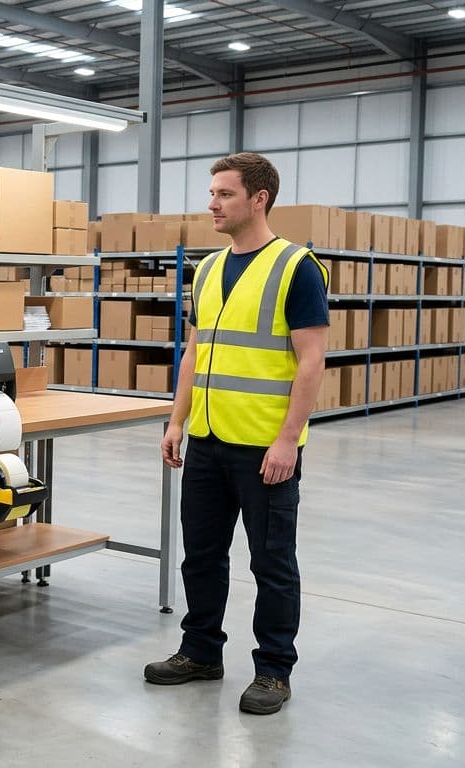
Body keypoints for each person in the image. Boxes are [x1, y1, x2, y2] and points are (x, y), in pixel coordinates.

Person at [143, 152, 329, 715]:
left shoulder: (296, 267)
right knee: (200, 555)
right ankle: (201, 651)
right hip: (206, 439)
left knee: (271, 564)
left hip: (264, 447)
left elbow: (312, 359)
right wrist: (177, 420)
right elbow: (195, 352)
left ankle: (273, 670)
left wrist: (287, 439)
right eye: (212, 193)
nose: (212, 203)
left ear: (258, 199)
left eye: (224, 193)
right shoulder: (206, 268)